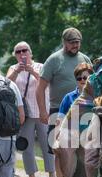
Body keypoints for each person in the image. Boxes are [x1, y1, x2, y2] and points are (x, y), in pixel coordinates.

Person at [36, 27, 91, 158]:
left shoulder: (85, 59)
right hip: (58, 110)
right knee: (59, 151)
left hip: (82, 110)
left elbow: (93, 85)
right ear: (64, 42)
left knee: (83, 151)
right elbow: (40, 88)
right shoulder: (54, 60)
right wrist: (43, 112)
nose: (75, 45)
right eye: (72, 42)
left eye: (77, 42)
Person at [7, 41, 56, 177]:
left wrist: (32, 71)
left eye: (25, 50)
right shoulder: (12, 68)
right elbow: (6, 84)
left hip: (42, 111)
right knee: (26, 145)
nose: (22, 54)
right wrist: (17, 71)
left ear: (30, 52)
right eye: (18, 51)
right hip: (25, 114)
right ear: (15, 55)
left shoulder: (41, 67)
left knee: (47, 144)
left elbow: (46, 84)